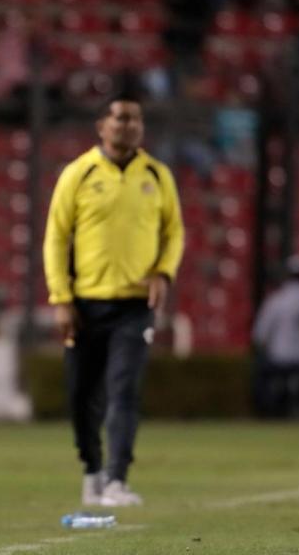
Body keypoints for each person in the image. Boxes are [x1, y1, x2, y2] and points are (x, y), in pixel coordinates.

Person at [43, 92, 185, 507]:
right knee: (80, 395)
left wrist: (163, 271)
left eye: (136, 119)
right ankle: (92, 468)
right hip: (84, 304)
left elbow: (174, 231)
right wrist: (61, 298)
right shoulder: (79, 173)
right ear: (102, 126)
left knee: (124, 389)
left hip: (134, 306)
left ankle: (117, 480)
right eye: (121, 118)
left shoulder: (157, 176)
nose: (128, 125)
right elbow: (56, 236)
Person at [253, 255, 299, 419]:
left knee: (261, 373)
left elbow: (260, 335)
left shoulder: (277, 301)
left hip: (281, 361)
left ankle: (267, 412)